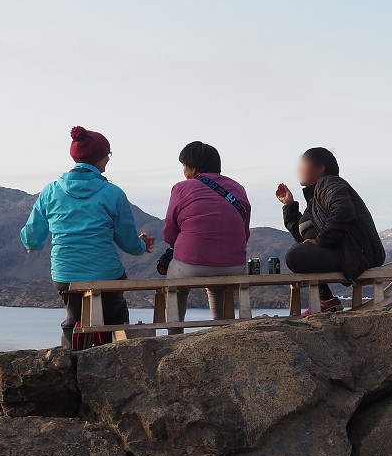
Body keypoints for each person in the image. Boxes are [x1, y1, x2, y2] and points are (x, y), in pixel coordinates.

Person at [21, 125, 156, 347]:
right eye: (108, 155)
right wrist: (142, 245)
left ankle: (71, 350)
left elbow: (32, 235)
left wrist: (31, 243)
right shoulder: (113, 193)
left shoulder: (50, 191)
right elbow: (129, 243)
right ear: (101, 158)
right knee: (116, 318)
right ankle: (114, 356)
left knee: (76, 316)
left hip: (65, 275)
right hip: (106, 274)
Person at [277, 147, 385, 312]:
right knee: (299, 252)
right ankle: (327, 300)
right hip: (343, 252)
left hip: (358, 253)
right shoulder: (315, 199)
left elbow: (344, 211)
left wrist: (322, 241)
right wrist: (289, 206)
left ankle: (326, 300)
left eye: (303, 163)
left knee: (296, 254)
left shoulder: (329, 183)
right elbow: (303, 238)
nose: (298, 169)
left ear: (321, 168)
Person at [162, 141, 252, 322]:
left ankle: (174, 332)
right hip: (234, 267)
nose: (184, 172)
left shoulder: (182, 187)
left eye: (184, 167)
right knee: (217, 286)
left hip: (190, 266)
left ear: (194, 169)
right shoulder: (238, 188)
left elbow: (169, 233)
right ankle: (220, 328)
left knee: (176, 285)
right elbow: (245, 232)